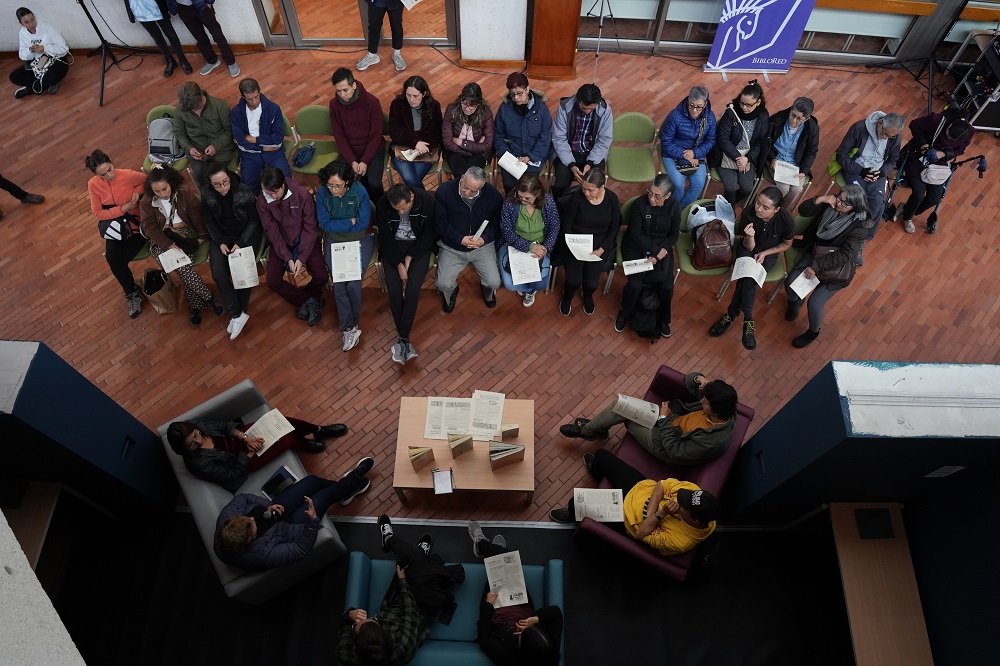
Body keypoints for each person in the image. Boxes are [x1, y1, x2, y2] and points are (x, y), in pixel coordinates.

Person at [336, 515, 465, 665]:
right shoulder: (401, 647)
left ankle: (411, 550)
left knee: (407, 565)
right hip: (420, 612)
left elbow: (344, 624)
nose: (368, 618)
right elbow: (411, 610)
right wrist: (403, 582)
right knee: (414, 565)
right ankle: (395, 542)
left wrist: (350, 615)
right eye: (372, 621)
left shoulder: (345, 653)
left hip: (391, 605)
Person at [548, 449, 719, 558]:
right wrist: (653, 512)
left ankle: (570, 514)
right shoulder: (694, 492)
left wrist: (662, 513)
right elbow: (661, 485)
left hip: (626, 518)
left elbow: (642, 532)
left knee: (577, 503)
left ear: (695, 520)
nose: (679, 501)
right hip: (640, 487)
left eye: (683, 507)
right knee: (601, 456)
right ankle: (600, 476)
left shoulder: (681, 541)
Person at [214, 459, 374, 569]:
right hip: (292, 526)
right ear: (251, 540)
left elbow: (244, 498)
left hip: (277, 510)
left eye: (247, 518)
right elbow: (300, 549)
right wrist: (312, 521)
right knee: (325, 495)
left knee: (312, 481)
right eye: (252, 524)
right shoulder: (260, 555)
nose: (251, 517)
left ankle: (345, 490)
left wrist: (268, 505)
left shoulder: (225, 520)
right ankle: (353, 478)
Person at [559, 370, 738, 466]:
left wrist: (664, 419)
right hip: (669, 421)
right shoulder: (722, 404)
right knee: (621, 405)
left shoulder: (713, 440)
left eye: (705, 402)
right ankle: (593, 430)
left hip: (664, 444)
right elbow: (689, 380)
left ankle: (590, 431)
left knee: (627, 416)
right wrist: (700, 379)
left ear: (715, 412)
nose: (701, 401)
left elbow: (674, 450)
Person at [784, 186, 871, 349]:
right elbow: (804, 209)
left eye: (845, 203)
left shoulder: (859, 226)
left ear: (855, 207)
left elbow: (846, 255)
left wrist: (816, 267)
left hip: (836, 269)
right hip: (815, 253)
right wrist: (820, 199)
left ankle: (813, 332)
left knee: (815, 303)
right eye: (839, 197)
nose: (839, 203)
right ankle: (796, 301)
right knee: (791, 283)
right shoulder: (831, 203)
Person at [708, 186, 793, 350]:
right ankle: (748, 319)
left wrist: (766, 253)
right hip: (748, 248)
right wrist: (750, 236)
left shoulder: (786, 220)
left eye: (765, 207)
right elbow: (748, 246)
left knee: (746, 282)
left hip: (768, 254)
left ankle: (731, 315)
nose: (759, 209)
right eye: (758, 203)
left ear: (776, 210)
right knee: (748, 280)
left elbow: (786, 244)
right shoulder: (749, 213)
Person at [467, 521, 563, 666]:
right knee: (505, 558)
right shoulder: (550, 652)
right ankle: (491, 550)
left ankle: (482, 546)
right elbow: (556, 613)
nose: (522, 630)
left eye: (522, 634)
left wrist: (487, 605)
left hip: (497, 609)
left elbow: (484, 638)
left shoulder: (506, 656)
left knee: (504, 556)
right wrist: (535, 619)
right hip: (522, 604)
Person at [139, 165, 224, 326]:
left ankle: (196, 305)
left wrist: (201, 237)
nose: (162, 194)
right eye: (157, 191)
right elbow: (151, 229)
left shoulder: (184, 193)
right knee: (184, 268)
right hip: (163, 240)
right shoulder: (146, 203)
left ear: (170, 182)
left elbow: (197, 216)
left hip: (185, 235)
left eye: (165, 189)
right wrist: (169, 245)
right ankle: (209, 298)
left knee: (183, 268)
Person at [166, 418, 348, 492]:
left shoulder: (199, 426)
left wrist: (245, 437)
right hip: (242, 461)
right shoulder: (197, 463)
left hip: (241, 440)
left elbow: (225, 426)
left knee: (281, 421)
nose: (197, 442)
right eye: (191, 444)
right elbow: (232, 475)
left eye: (196, 435)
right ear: (182, 449)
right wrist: (250, 451)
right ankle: (303, 443)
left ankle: (318, 430)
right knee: (286, 440)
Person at [257, 166, 329, 326]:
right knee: (272, 281)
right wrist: (288, 257)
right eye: (267, 192)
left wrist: (301, 257)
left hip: (305, 239)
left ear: (284, 184)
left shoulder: (302, 194)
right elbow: (272, 231)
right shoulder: (262, 200)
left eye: (275, 192)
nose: (272, 197)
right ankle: (309, 301)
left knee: (321, 275)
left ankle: (310, 299)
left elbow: (310, 228)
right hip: (281, 243)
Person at [374, 183, 437, 365]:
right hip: (393, 247)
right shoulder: (382, 204)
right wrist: (399, 264)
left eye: (404, 209)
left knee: (412, 289)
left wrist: (411, 256)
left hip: (418, 246)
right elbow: (385, 239)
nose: (401, 213)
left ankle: (403, 337)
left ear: (411, 196)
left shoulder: (426, 201)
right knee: (394, 291)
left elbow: (429, 235)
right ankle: (404, 338)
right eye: (397, 210)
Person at [316, 159, 374, 352]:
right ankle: (348, 328)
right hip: (334, 241)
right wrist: (350, 221)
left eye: (337, 186)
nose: (333, 189)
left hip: (360, 240)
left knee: (354, 282)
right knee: (339, 283)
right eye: (330, 185)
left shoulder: (360, 192)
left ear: (347, 183)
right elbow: (325, 224)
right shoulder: (322, 193)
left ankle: (353, 322)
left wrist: (341, 225)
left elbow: (363, 224)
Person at [200, 162, 261, 339]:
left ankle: (238, 314)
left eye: (225, 182)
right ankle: (238, 315)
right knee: (219, 275)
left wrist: (241, 242)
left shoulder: (244, 191)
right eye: (217, 184)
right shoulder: (206, 193)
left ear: (229, 176)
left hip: (244, 237)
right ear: (210, 183)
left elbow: (253, 222)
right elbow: (209, 220)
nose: (222, 187)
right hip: (222, 238)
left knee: (243, 275)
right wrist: (219, 241)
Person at [835, 110, 904, 265]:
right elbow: (842, 155)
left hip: (876, 173)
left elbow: (893, 159)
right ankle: (843, 232)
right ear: (880, 123)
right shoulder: (859, 128)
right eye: (885, 133)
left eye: (890, 136)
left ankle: (858, 241)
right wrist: (861, 171)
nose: (886, 138)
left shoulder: (895, 135)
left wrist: (881, 173)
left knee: (877, 204)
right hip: (856, 169)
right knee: (859, 199)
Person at [615, 175, 680, 337]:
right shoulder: (639, 204)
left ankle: (663, 319)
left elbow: (673, 236)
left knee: (667, 286)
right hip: (636, 247)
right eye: (650, 192)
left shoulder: (674, 207)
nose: (651, 198)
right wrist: (654, 250)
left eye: (657, 196)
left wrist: (659, 253)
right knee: (635, 285)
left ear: (668, 195)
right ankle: (625, 312)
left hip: (662, 249)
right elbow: (635, 234)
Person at [85, 150, 146, 319]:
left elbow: (148, 181)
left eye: (109, 169)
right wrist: (121, 209)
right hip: (116, 227)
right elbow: (98, 214)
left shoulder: (128, 175)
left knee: (118, 259)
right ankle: (131, 292)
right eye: (102, 175)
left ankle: (133, 293)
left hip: (137, 225)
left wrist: (139, 191)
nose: (108, 175)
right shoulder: (93, 185)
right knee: (112, 257)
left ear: (112, 162)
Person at [434, 166, 504, 313]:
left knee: (494, 282)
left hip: (482, 246)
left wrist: (484, 239)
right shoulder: (444, 191)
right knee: (443, 284)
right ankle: (452, 291)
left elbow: (497, 222)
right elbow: (440, 222)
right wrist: (460, 239)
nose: (467, 193)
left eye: (473, 191)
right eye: (465, 187)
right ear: (462, 177)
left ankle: (487, 290)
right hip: (452, 246)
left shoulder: (493, 195)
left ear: (482, 186)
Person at [897, 109, 973, 234]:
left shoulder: (969, 131)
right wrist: (924, 145)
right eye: (947, 134)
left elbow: (960, 150)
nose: (948, 138)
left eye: (951, 139)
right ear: (951, 124)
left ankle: (907, 209)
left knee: (934, 198)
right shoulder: (936, 120)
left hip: (939, 165)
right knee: (918, 195)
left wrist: (943, 153)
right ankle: (907, 218)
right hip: (919, 159)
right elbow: (914, 124)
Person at [557, 168, 620, 317]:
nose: (586, 193)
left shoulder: (612, 199)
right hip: (575, 242)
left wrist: (602, 249)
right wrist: (573, 244)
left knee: (591, 283)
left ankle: (587, 295)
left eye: (590, 190)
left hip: (599, 246)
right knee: (573, 280)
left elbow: (613, 228)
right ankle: (568, 295)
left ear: (602, 187)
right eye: (584, 188)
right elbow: (566, 226)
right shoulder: (576, 199)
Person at [499, 174, 559, 307]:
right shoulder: (510, 203)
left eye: (527, 198)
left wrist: (545, 248)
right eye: (520, 196)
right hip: (514, 245)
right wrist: (529, 247)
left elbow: (554, 226)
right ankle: (527, 290)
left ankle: (530, 291)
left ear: (538, 193)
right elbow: (507, 232)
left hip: (540, 246)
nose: (522, 200)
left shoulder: (548, 201)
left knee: (540, 284)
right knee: (510, 284)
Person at [328, 68, 387, 204]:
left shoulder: (372, 102)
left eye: (345, 90)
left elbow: (376, 135)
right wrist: (352, 161)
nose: (342, 94)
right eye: (338, 91)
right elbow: (339, 136)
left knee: (374, 183)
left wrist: (365, 161)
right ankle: (358, 209)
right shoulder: (334, 105)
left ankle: (379, 209)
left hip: (372, 149)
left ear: (354, 85)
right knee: (344, 182)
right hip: (350, 151)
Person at [711, 80, 769, 206]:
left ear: (758, 102)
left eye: (748, 105)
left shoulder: (763, 116)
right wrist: (738, 158)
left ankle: (724, 204)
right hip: (727, 155)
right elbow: (723, 138)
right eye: (742, 103)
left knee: (748, 188)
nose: (744, 107)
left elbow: (760, 141)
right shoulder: (731, 112)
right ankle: (728, 212)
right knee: (730, 187)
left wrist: (747, 159)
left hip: (748, 157)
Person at [550, 83, 613, 199]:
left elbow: (604, 140)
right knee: (560, 185)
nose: (588, 111)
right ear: (577, 100)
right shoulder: (564, 108)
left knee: (595, 185)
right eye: (584, 108)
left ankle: (589, 208)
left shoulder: (605, 111)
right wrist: (571, 165)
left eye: (592, 109)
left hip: (593, 153)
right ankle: (559, 207)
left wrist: (590, 162)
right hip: (567, 152)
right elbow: (559, 138)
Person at [493, 72, 553, 194]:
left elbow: (545, 137)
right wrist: (508, 156)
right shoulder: (504, 108)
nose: (515, 98)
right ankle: (512, 208)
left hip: (533, 156)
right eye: (512, 94)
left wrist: (530, 157)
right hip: (511, 155)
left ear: (527, 89)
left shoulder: (541, 109)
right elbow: (498, 135)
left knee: (528, 185)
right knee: (509, 185)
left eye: (519, 93)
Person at [230, 78, 292, 194]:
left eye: (256, 97)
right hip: (250, 156)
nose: (254, 101)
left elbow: (277, 140)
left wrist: (255, 139)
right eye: (250, 99)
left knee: (285, 180)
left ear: (259, 92)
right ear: (243, 97)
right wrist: (262, 147)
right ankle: (263, 208)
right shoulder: (236, 113)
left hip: (274, 153)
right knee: (249, 185)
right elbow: (241, 143)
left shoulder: (273, 109)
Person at [660, 86, 716, 209]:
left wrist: (695, 153)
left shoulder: (710, 117)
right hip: (673, 153)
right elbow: (665, 141)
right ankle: (671, 209)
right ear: (688, 99)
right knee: (678, 186)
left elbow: (711, 140)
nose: (695, 110)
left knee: (698, 185)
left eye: (699, 107)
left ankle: (680, 211)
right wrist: (685, 154)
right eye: (691, 105)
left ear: (705, 103)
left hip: (696, 154)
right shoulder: (675, 115)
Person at [174, 80, 237, 185]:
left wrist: (215, 146)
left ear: (201, 96)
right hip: (197, 154)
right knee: (203, 180)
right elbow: (179, 133)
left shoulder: (220, 106)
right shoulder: (180, 110)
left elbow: (230, 131)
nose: (194, 110)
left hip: (222, 152)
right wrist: (189, 148)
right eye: (191, 109)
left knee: (218, 179)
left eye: (197, 107)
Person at [388, 76, 443, 190]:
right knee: (410, 179)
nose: (411, 99)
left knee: (412, 179)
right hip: (402, 148)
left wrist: (422, 147)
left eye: (415, 96)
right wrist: (415, 143)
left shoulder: (434, 106)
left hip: (425, 149)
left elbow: (438, 132)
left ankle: (410, 202)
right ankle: (422, 203)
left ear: (424, 94)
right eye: (408, 95)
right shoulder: (397, 104)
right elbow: (393, 131)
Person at [764, 96, 819, 209]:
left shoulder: (812, 128)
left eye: (799, 119)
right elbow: (766, 142)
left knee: (797, 189)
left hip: (795, 165)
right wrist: (771, 158)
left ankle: (779, 210)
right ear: (790, 110)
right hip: (776, 161)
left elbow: (811, 151)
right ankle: (770, 208)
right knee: (783, 188)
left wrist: (804, 171)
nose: (794, 121)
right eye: (792, 115)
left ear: (807, 118)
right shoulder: (777, 119)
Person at [168, 0, 239, 77]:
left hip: (201, 4)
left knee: (217, 35)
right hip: (182, 8)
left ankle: (231, 61)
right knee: (200, 38)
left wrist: (209, 2)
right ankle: (211, 60)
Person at [10, 7, 69, 98]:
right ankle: (41, 84)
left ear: (34, 17)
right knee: (14, 77)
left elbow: (64, 49)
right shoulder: (22, 33)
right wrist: (30, 50)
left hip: (56, 60)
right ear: (21, 23)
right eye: (26, 22)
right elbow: (22, 56)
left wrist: (45, 48)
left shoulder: (47, 27)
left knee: (52, 74)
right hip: (40, 63)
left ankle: (33, 87)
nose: (31, 24)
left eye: (32, 20)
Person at [124, 0, 192, 77]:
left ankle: (182, 59)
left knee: (171, 34)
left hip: (156, 6)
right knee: (156, 36)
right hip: (139, 9)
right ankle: (170, 60)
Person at [441, 82, 494, 178]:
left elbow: (487, 145)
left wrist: (461, 142)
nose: (467, 108)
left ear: (478, 104)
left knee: (471, 176)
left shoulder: (486, 114)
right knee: (461, 175)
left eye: (472, 106)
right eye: (464, 103)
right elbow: (447, 142)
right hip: (455, 150)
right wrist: (470, 150)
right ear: (461, 99)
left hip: (479, 154)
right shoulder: (451, 110)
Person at [357, 0, 406, 72]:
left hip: (396, 2)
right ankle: (372, 55)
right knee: (373, 27)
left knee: (397, 27)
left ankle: (397, 54)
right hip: (376, 2)